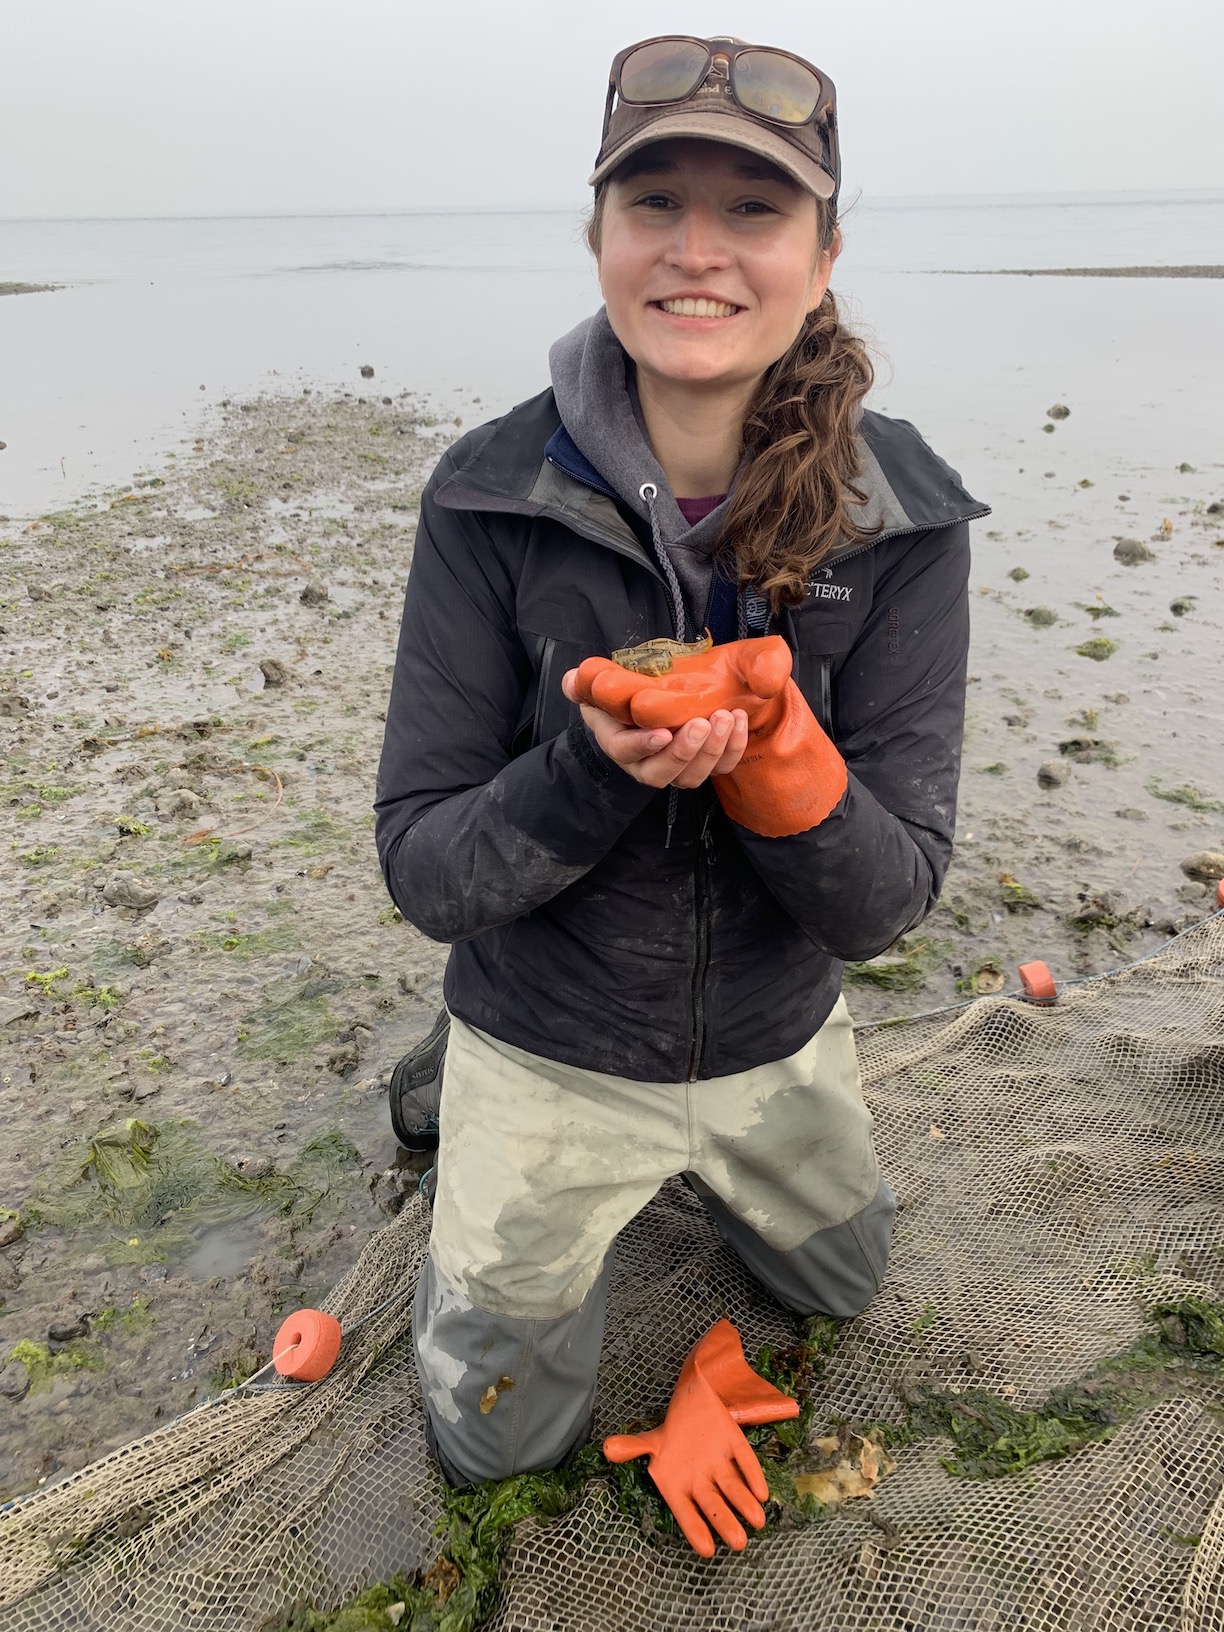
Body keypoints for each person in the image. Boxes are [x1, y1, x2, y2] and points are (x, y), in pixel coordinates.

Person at [375, 33, 988, 1500]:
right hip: (553, 1034)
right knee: (496, 1438)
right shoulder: (486, 496)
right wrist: (591, 771)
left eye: (754, 210)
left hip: (776, 1033)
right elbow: (425, 864)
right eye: (654, 203)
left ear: (824, 252)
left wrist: (786, 774)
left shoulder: (902, 519)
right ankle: (462, 1085)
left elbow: (884, 905)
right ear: (599, 237)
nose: (696, 252)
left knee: (841, 1293)